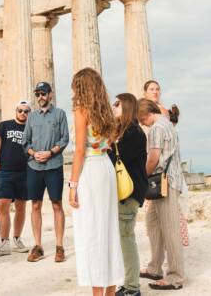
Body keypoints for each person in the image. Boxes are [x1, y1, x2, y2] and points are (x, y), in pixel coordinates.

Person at [69, 69, 124, 295]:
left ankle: (97, 293)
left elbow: (80, 150)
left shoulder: (82, 110)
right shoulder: (106, 112)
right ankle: (109, 291)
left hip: (90, 170)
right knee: (109, 230)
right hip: (106, 168)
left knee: (91, 231)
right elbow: (109, 142)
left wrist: (72, 185)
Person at [137, 99, 185, 291]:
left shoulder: (157, 128)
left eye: (141, 120)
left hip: (165, 182)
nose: (142, 124)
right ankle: (155, 267)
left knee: (170, 230)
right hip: (168, 180)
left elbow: (153, 158)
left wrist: (141, 177)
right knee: (153, 224)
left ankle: (175, 276)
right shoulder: (167, 124)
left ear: (146, 114)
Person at [21, 81, 69, 263]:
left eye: (43, 93)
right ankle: (38, 245)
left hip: (54, 164)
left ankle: (59, 246)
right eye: (38, 94)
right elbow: (25, 141)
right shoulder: (32, 117)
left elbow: (65, 139)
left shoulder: (60, 114)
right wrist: (34, 153)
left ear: (50, 94)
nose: (40, 97)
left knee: (57, 204)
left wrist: (50, 152)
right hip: (34, 165)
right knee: (35, 205)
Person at [112, 93, 148, 296]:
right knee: (124, 238)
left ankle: (133, 287)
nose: (113, 107)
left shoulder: (133, 132)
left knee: (126, 238)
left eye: (117, 104)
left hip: (128, 194)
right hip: (125, 194)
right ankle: (128, 283)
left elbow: (117, 158)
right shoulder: (126, 132)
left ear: (126, 106)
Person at [0, 101, 30, 257]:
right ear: (16, 111)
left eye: (26, 111)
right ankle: (4, 241)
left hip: (25, 172)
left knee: (21, 207)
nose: (23, 113)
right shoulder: (4, 126)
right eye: (20, 110)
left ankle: (17, 238)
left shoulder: (31, 128)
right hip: (5, 172)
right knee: (3, 205)